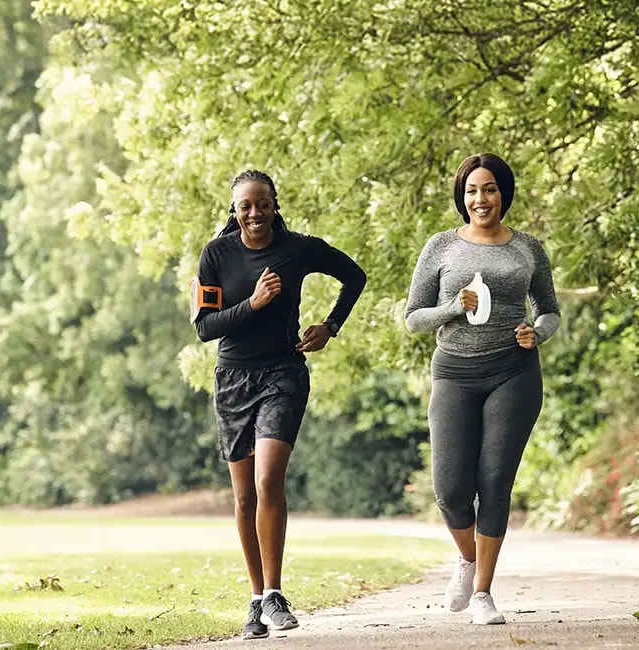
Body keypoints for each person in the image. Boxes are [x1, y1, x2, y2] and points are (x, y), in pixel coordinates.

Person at [193, 169, 368, 640]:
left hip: (282, 374)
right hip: (232, 380)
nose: (254, 213)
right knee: (244, 496)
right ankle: (255, 600)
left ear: (274, 205)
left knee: (269, 479)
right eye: (245, 205)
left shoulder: (298, 249)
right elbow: (205, 328)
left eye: (262, 203)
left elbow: (354, 276)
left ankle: (274, 593)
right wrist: (252, 303)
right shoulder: (216, 255)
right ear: (235, 210)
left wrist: (329, 327)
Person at [402, 152, 560, 625]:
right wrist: (452, 307)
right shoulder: (441, 247)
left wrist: (539, 331)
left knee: (494, 482)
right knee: (450, 489)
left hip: (514, 371)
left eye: (489, 189)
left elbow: (549, 309)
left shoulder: (527, 248)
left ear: (502, 194)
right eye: (472, 190)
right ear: (462, 197)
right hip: (454, 371)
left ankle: (484, 593)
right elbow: (413, 318)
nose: (480, 198)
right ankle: (467, 561)